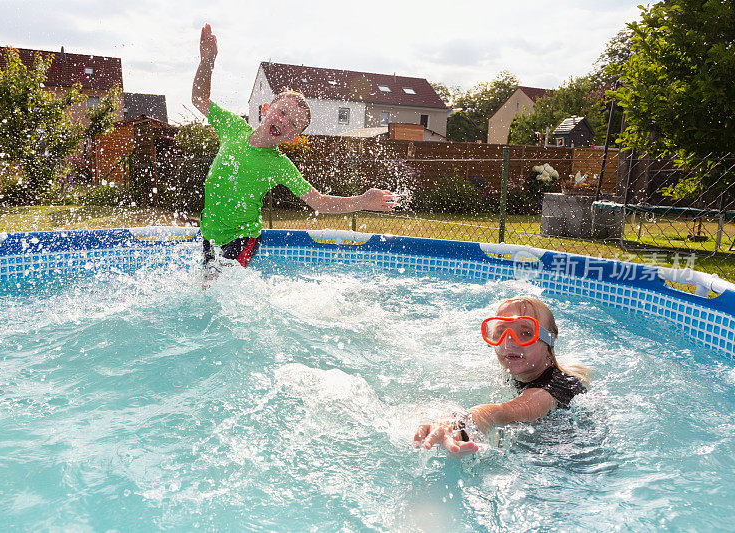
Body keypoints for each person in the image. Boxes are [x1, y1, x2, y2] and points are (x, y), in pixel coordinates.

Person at [191, 23, 396, 268]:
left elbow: (317, 201)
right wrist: (207, 61)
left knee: (215, 286)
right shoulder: (233, 128)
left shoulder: (280, 165)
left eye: (293, 123)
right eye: (282, 112)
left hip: (242, 237)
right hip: (209, 233)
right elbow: (199, 99)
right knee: (209, 290)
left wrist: (361, 201)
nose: (284, 121)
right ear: (267, 110)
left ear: (293, 138)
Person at [413, 296, 591, 456]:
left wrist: (459, 425)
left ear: (549, 341)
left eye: (526, 333)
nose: (508, 342)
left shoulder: (552, 389)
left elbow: (503, 412)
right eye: (501, 332)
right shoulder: (520, 370)